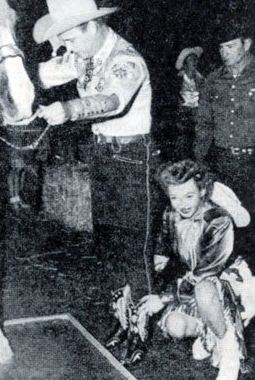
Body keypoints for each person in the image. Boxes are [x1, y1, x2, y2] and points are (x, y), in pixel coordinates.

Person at [33, 0, 160, 269]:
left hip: (132, 158)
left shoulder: (125, 60)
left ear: (91, 26)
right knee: (107, 246)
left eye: (70, 40)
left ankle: (143, 311)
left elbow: (112, 101)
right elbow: (40, 75)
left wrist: (68, 109)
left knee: (133, 251)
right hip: (102, 154)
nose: (69, 49)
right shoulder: (85, 55)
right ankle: (118, 310)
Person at [105, 160, 255, 380]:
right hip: (191, 282)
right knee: (175, 327)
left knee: (204, 289)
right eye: (174, 197)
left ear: (202, 191)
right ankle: (209, 334)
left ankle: (229, 346)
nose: (181, 204)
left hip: (225, 282)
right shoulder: (170, 214)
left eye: (188, 196)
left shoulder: (218, 220)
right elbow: (161, 257)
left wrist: (163, 298)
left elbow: (206, 272)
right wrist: (138, 281)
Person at [194, 19, 255, 266]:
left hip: (253, 161)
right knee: (227, 218)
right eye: (220, 48)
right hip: (223, 161)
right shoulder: (212, 80)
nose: (223, 53)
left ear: (246, 44)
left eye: (229, 46)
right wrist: (198, 162)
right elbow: (204, 124)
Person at [174, 46, 204, 159]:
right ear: (184, 63)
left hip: (198, 121)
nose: (195, 62)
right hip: (181, 122)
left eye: (196, 60)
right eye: (191, 60)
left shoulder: (203, 81)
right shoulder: (176, 81)